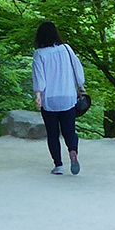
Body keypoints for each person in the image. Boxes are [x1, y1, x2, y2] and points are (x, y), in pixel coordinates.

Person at [31, 20, 86, 176]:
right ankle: (73, 153)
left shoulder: (39, 54)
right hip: (68, 97)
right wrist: (80, 85)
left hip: (50, 99)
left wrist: (38, 95)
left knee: (53, 133)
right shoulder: (66, 49)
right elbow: (77, 67)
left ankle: (58, 165)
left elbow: (39, 77)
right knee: (70, 131)